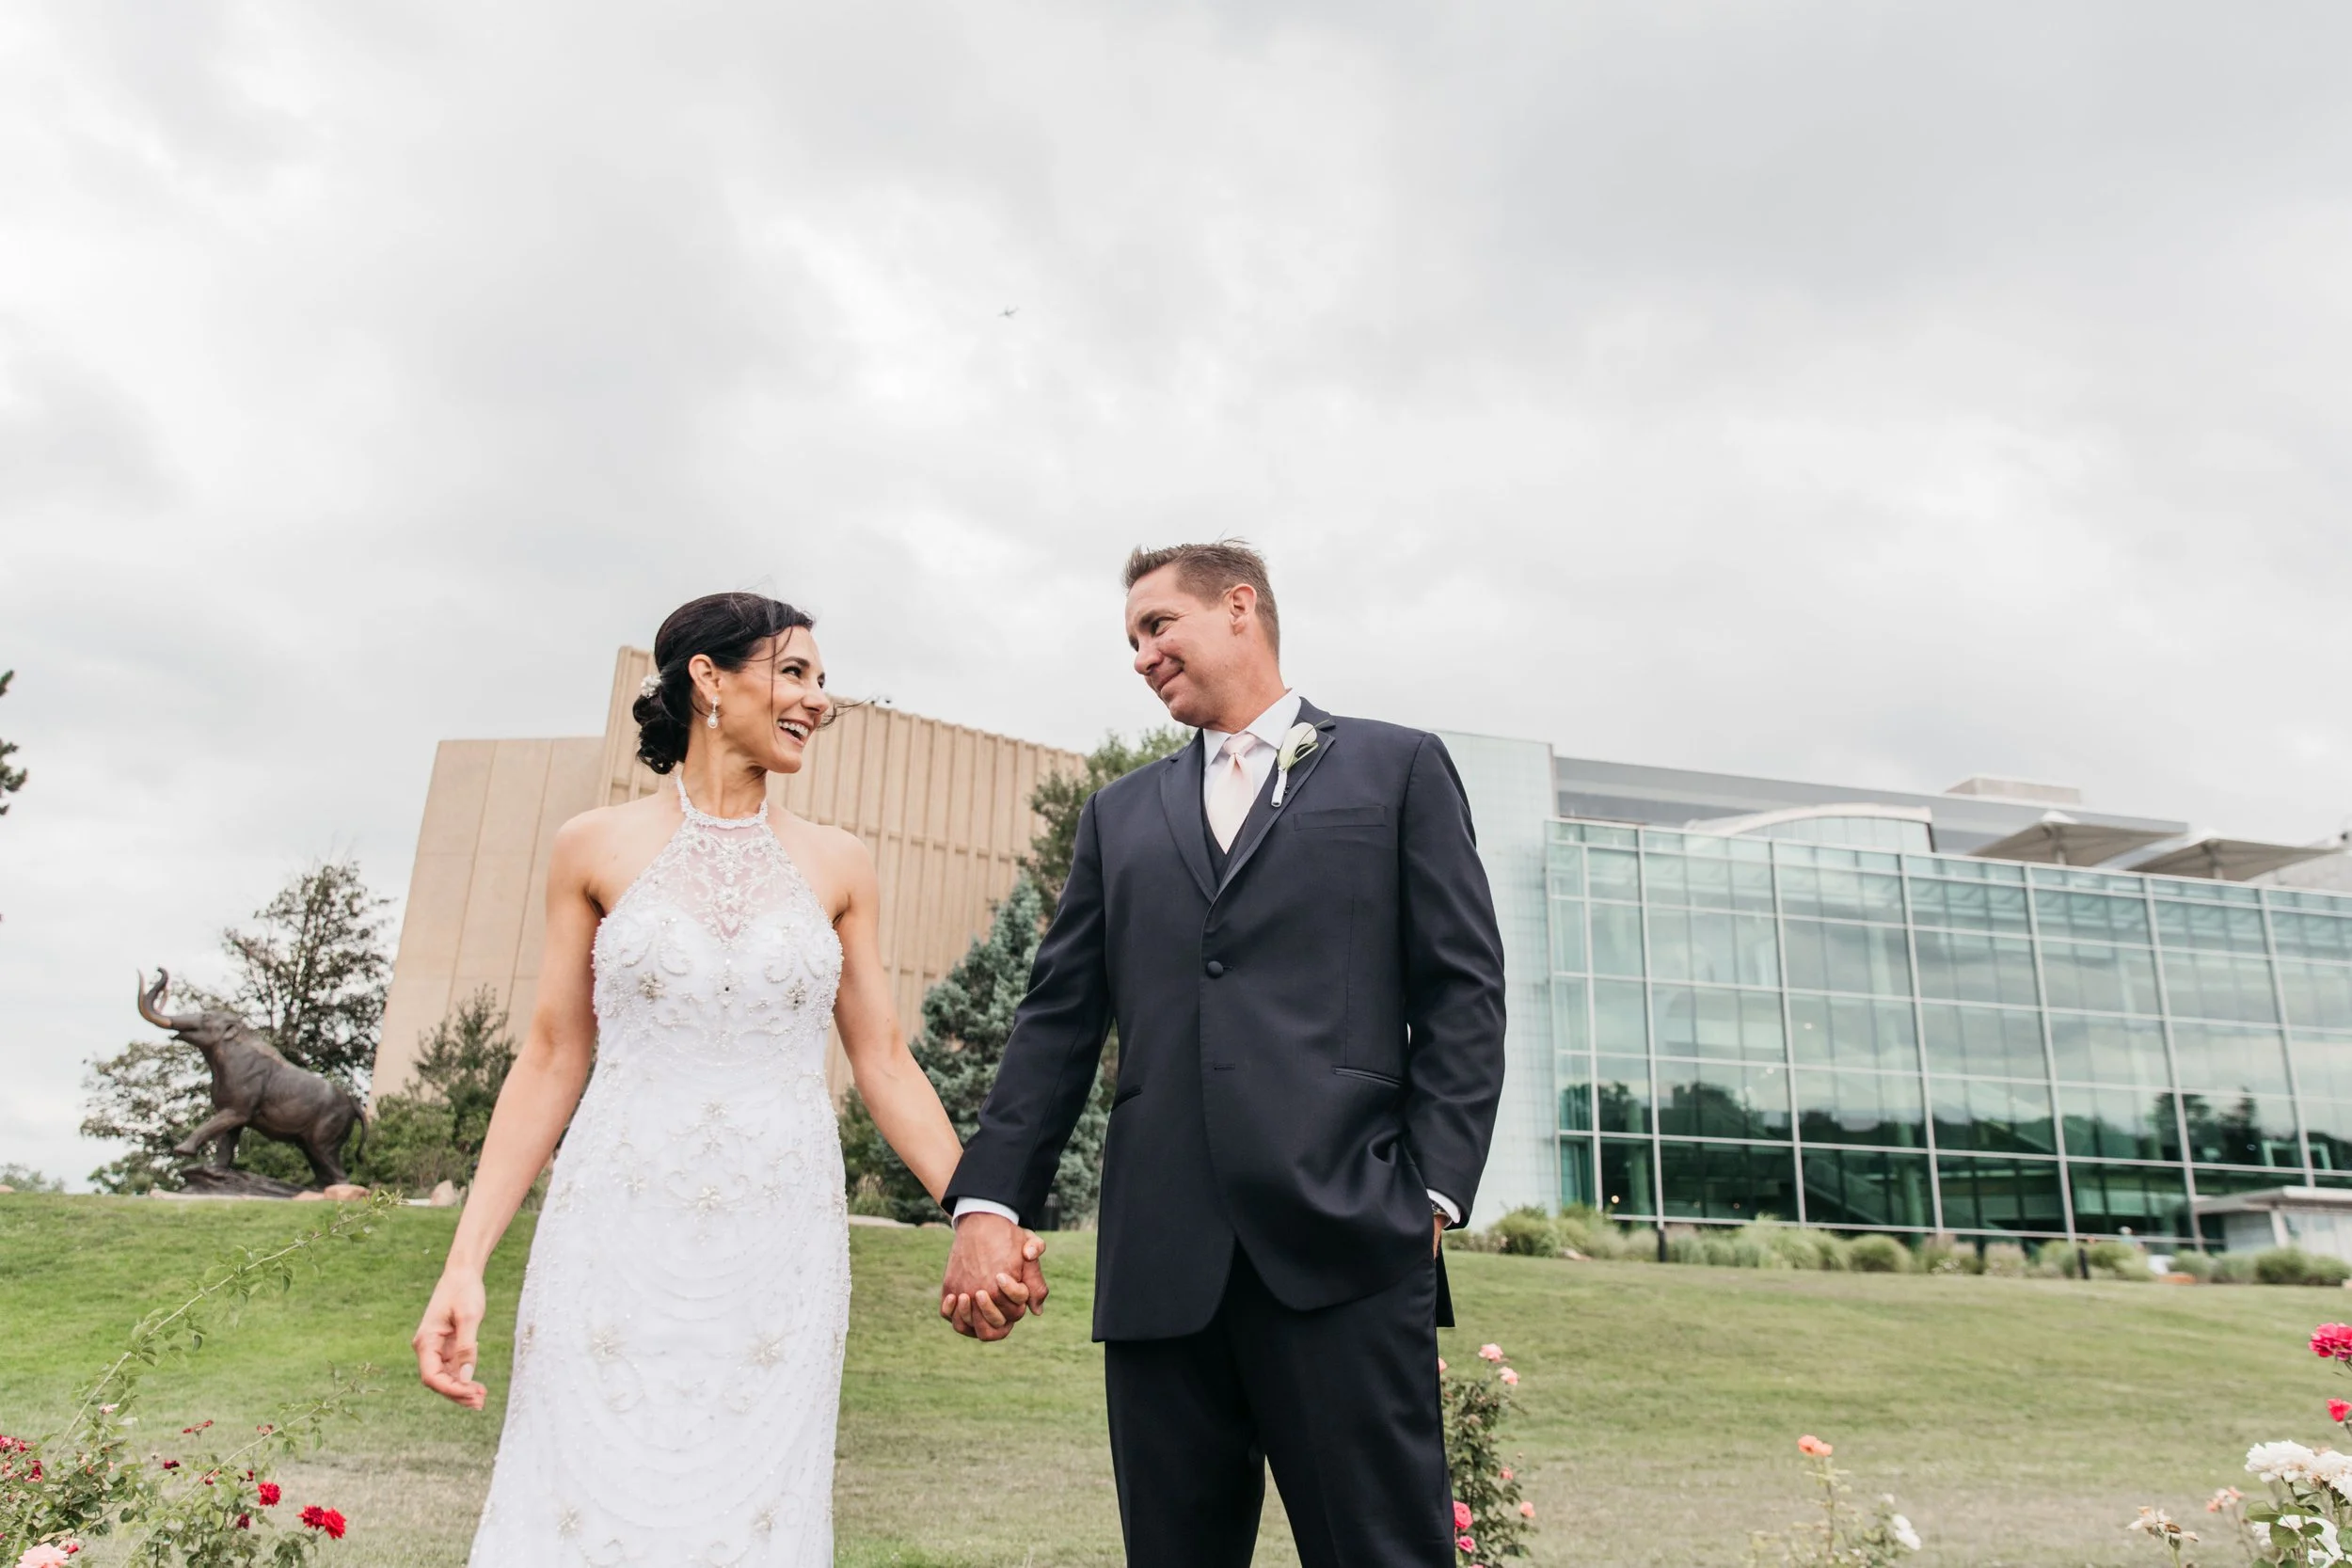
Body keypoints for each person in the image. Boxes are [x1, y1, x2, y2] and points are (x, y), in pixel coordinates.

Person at [409, 592, 1042, 1565]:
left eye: (821, 681)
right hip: (610, 1234)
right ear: (708, 677)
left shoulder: (841, 864)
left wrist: (979, 1212)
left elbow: (882, 1060)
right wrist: (464, 1262)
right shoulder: (593, 843)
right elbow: (550, 1054)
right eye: (795, 673)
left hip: (778, 1244)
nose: (817, 700)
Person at [939, 542, 1507, 1567]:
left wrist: (1430, 1194)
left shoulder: (1397, 766)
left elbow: (1462, 992)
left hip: (1347, 1241)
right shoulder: (1119, 815)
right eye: (1130, 640)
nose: (1142, 654)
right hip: (1162, 1260)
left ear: (1240, 607)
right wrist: (990, 1201)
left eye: (1159, 626)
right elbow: (1057, 1020)